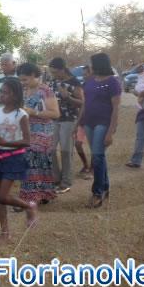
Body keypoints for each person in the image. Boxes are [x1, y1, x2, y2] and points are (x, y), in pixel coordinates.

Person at [0, 78, 37, 246]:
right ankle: (5, 233)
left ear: (16, 95)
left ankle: (29, 207)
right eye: (1, 91)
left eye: (6, 92)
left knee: (2, 195)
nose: (1, 95)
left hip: (14, 157)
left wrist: (5, 143)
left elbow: (27, 140)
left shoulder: (21, 115)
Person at [80, 53, 121, 208]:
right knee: (98, 156)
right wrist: (79, 122)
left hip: (103, 123)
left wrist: (111, 131)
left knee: (97, 157)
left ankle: (97, 192)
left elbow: (116, 108)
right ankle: (105, 187)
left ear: (98, 64)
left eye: (91, 63)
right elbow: (85, 104)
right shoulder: (89, 81)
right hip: (89, 122)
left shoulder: (112, 82)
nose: (89, 66)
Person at [16, 63, 60, 206]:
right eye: (21, 80)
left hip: (42, 133)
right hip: (27, 132)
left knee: (33, 163)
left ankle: (29, 198)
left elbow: (55, 113)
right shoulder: (24, 90)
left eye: (25, 79)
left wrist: (35, 112)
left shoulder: (46, 91)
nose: (23, 83)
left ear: (35, 75)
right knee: (35, 163)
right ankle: (43, 194)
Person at [48, 58, 84, 194]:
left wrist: (67, 97)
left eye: (55, 72)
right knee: (49, 148)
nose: (53, 74)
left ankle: (66, 181)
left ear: (62, 69)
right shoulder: (53, 81)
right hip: (54, 118)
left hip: (69, 119)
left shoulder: (74, 83)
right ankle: (55, 177)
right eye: (52, 72)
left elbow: (81, 103)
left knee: (65, 151)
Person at [75, 66, 92, 178]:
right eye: (83, 74)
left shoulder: (98, 86)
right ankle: (86, 164)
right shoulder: (83, 86)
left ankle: (92, 168)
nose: (84, 76)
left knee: (94, 146)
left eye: (86, 73)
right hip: (82, 119)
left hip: (93, 121)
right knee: (77, 144)